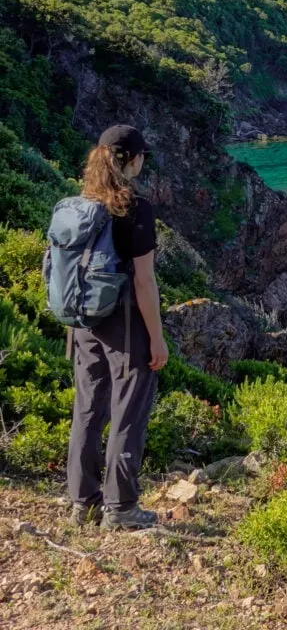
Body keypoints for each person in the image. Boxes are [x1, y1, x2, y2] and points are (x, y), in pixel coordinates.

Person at [67, 124, 168, 530]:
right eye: (142, 155)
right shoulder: (135, 208)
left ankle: (83, 503)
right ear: (132, 160)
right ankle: (122, 508)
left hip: (82, 322)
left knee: (88, 411)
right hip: (124, 322)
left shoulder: (80, 204)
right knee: (128, 412)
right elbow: (144, 281)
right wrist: (157, 338)